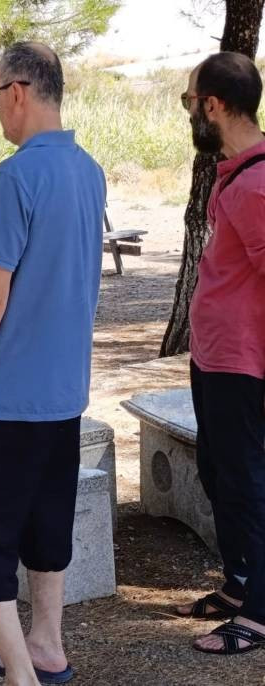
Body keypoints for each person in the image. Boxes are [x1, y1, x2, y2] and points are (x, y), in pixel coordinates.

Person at [0, 43, 105, 686]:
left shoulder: (15, 176)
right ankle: (46, 646)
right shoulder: (89, 171)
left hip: (6, 395)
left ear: (16, 92)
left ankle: (20, 674)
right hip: (64, 390)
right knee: (45, 523)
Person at [172, 52, 265, 656]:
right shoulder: (237, 172)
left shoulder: (257, 185)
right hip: (214, 359)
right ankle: (239, 585)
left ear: (213, 105)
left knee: (247, 482)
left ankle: (260, 613)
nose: (188, 114)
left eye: (190, 102)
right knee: (219, 473)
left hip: (243, 365)